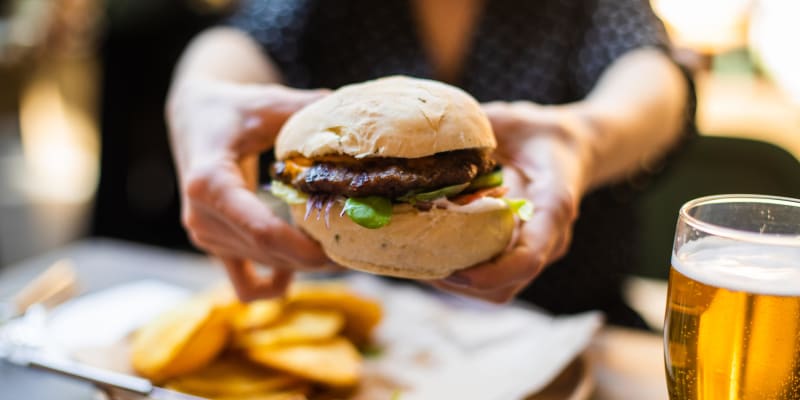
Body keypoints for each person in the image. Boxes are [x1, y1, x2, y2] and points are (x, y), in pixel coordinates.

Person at [166, 0, 692, 327]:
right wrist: (199, 99)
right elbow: (242, 38)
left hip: (566, 317)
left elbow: (650, 71)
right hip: (371, 325)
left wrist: (590, 136)